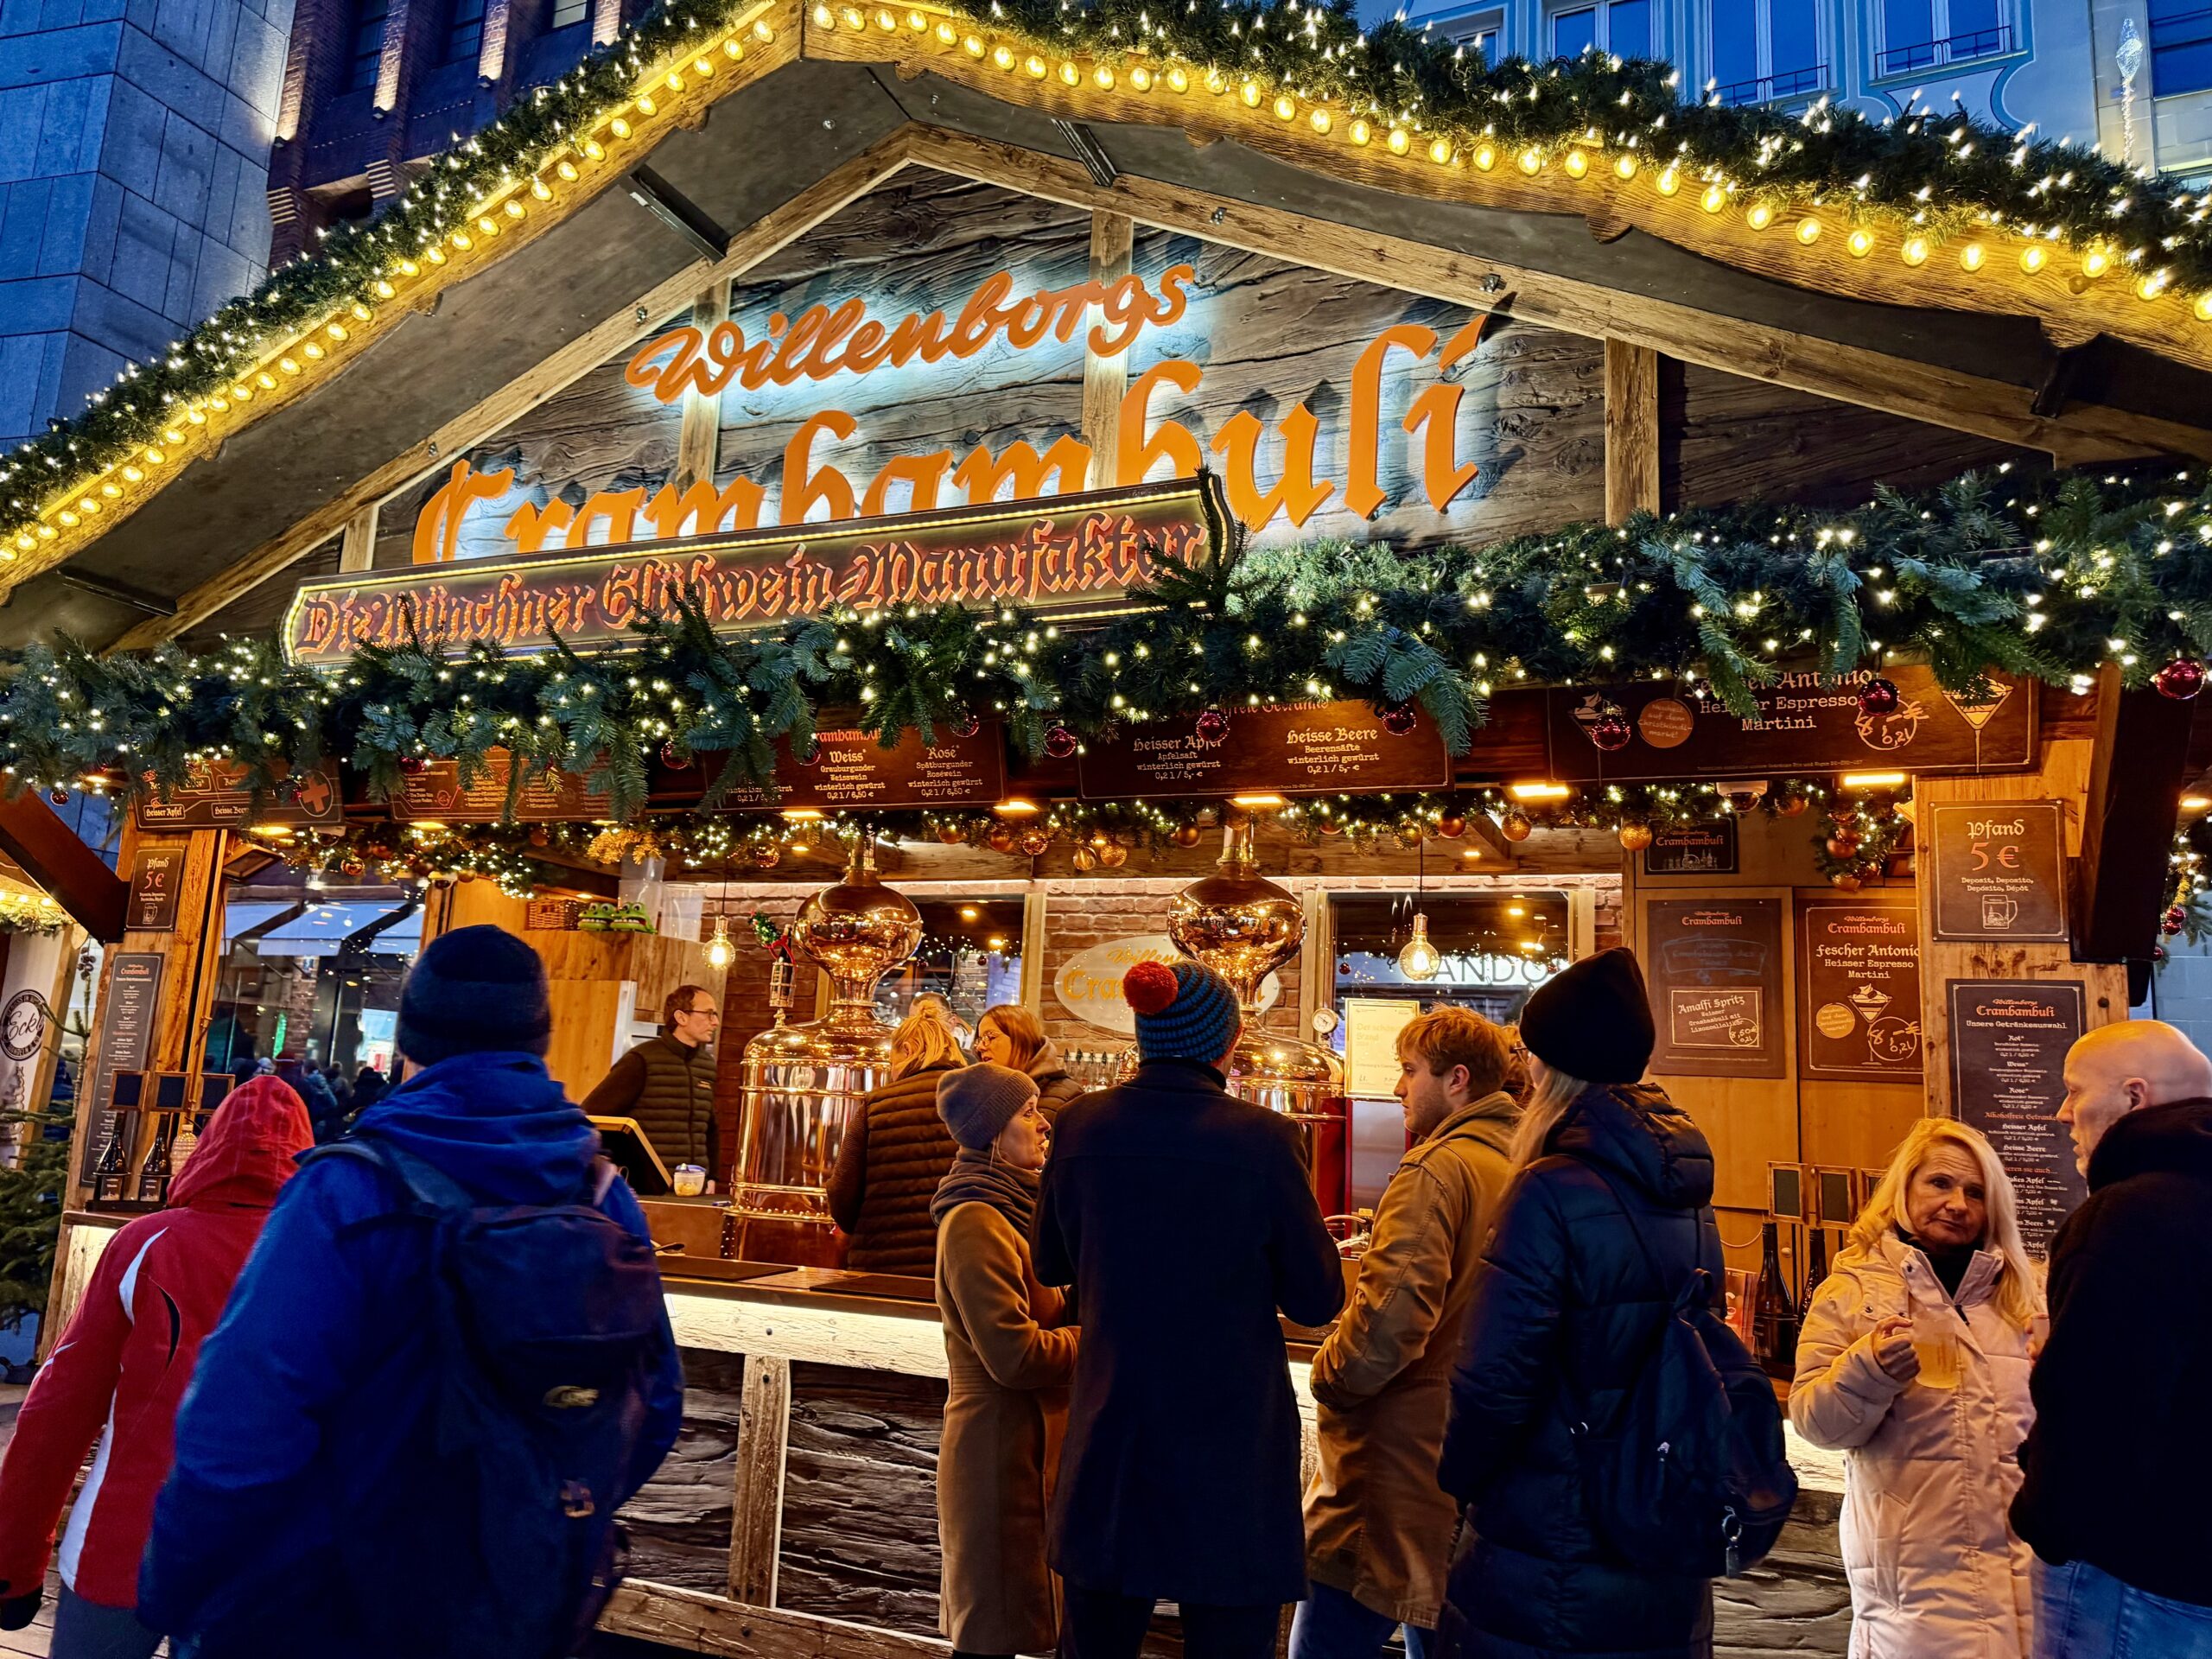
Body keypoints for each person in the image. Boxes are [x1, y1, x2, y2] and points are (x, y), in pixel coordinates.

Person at [139, 925, 685, 1656]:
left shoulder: (347, 1187)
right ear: (538, 1041)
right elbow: (656, 1406)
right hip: (514, 1610)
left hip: (329, 1608)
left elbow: (245, 1417)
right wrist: (530, 1519)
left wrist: (176, 1583)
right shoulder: (601, 1191)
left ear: (411, 1042)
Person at [1034, 958, 1344, 1659]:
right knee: (1229, 1641)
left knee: (1094, 1645)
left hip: (1114, 1425)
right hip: (1227, 1439)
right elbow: (1317, 1297)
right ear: (1225, 1045)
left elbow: (1050, 1266)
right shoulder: (1264, 1139)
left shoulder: (1082, 1126)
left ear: (1144, 1035)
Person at [1435, 947, 1724, 1659]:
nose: (1525, 1074)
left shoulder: (1549, 1189)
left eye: (1532, 1058)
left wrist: (1460, 1483)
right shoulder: (1688, 1191)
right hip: (1657, 1532)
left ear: (1553, 1068)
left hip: (1550, 1543)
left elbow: (1495, 1382)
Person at [0, 1077, 315, 1658]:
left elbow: (56, 1411)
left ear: (209, 1148)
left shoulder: (147, 1244)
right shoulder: (319, 1258)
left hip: (120, 1545)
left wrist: (13, 1560)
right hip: (253, 1564)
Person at [1297, 1006, 1518, 1659]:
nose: (1397, 1088)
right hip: (1469, 1452)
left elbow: (1387, 1329)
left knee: (1329, 1641)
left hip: (1389, 1469)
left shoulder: (1435, 1171)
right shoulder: (1524, 1166)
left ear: (1456, 1081)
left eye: (1408, 1071)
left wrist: (1328, 1378)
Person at [1789, 1118, 2040, 1657]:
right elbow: (1814, 1422)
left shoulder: (2024, 1295)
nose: (1957, 1204)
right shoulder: (1854, 1291)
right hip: (1918, 1582)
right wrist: (1869, 1369)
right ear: (1904, 1188)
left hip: (2029, 1575)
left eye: (1976, 1192)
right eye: (1940, 1184)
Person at [2012, 1018, 2212, 1656]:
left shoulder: (2129, 1215)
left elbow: (2094, 1406)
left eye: (2074, 1090)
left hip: (2130, 1569)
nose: (2061, 1112)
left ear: (2133, 1097)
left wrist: (2047, 1525)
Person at [931, 1063, 1079, 1659]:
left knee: (1023, 1624)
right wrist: (1094, 1337)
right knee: (991, 1633)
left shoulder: (1019, 1205)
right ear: (993, 1132)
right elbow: (1013, 1357)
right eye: (1028, 1113)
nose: (1043, 1124)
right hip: (995, 1456)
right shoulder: (974, 1219)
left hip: (1030, 1449)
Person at [827, 1005, 966, 1274]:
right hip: (960, 1263)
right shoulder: (979, 1099)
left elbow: (842, 1191)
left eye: (891, 1062)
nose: (891, 1071)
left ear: (909, 1049)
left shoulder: (876, 1104)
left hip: (881, 1262)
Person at [580, 982, 721, 1180]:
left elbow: (709, 1127)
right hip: (648, 1185)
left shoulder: (706, 1064)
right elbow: (594, 1116)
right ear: (681, 1017)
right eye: (708, 1013)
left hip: (695, 1185)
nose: (715, 1022)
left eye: (715, 1015)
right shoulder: (641, 1059)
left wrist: (712, 1176)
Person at [976, 1002, 1086, 1119]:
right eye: (980, 1039)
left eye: (990, 1036)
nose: (980, 1047)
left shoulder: (1069, 1096)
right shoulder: (980, 1094)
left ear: (1022, 1039)